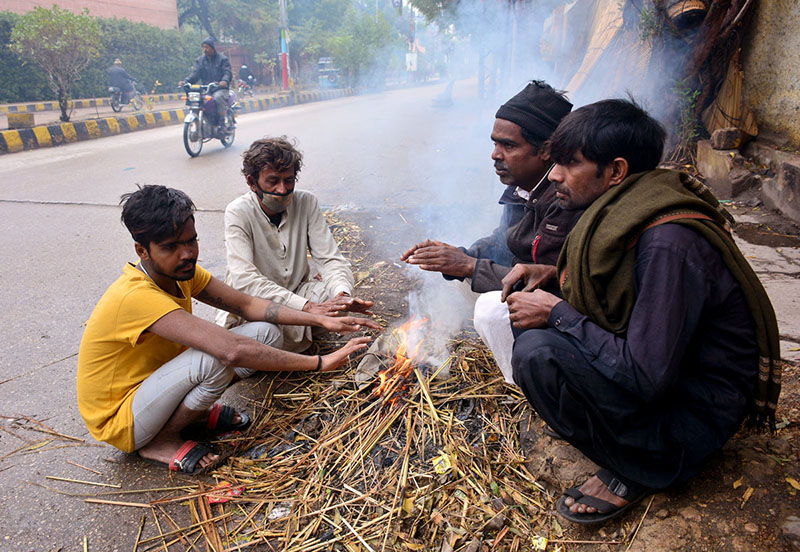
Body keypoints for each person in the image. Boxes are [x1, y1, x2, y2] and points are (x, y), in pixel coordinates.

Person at [505, 98, 782, 524]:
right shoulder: (630, 208)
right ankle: (636, 443)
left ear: (615, 171)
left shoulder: (669, 242)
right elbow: (627, 289)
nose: (554, 175)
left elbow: (647, 375)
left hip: (698, 411)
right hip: (678, 377)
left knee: (538, 353)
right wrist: (550, 274)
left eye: (569, 164)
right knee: (535, 331)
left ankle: (645, 466)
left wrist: (557, 312)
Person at [77, 185, 379, 474]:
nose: (187, 254)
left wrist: (319, 317)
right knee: (219, 357)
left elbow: (246, 304)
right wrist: (320, 363)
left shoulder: (181, 273)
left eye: (191, 240)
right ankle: (161, 441)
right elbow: (232, 350)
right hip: (122, 417)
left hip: (154, 389)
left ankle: (190, 417)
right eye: (171, 247)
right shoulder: (136, 296)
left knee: (267, 333)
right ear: (142, 250)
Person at [401, 81, 581, 383]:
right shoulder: (521, 189)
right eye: (495, 143)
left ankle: (527, 382)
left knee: (487, 308)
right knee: (457, 279)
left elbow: (547, 286)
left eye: (508, 146)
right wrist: (459, 256)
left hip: (563, 314)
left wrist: (468, 265)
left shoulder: (564, 197)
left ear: (546, 151)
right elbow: (502, 242)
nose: (495, 155)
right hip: (529, 293)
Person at [216, 137, 374, 353]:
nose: (282, 190)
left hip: (297, 293)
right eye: (273, 181)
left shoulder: (306, 202)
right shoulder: (238, 212)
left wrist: (341, 295)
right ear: (252, 182)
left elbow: (330, 260)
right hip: (256, 306)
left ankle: (296, 338)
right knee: (264, 333)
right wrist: (307, 307)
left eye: (288, 180)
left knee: (338, 304)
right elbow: (245, 280)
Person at [181, 37, 233, 128]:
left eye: (207, 47)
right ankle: (201, 122)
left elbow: (227, 72)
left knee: (218, 97)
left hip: (220, 88)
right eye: (203, 47)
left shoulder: (222, 59)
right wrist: (186, 81)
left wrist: (224, 81)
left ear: (212, 47)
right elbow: (195, 74)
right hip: (206, 89)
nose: (205, 49)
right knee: (197, 100)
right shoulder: (200, 61)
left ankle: (221, 124)